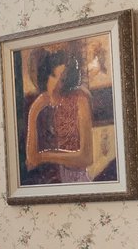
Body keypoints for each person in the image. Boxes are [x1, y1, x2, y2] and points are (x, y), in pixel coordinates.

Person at [23, 45, 94, 183]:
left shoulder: (80, 99)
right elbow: (31, 158)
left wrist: (44, 156)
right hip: (49, 182)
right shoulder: (38, 103)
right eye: (53, 75)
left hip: (77, 181)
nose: (56, 84)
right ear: (45, 75)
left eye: (62, 79)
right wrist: (34, 112)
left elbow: (87, 157)